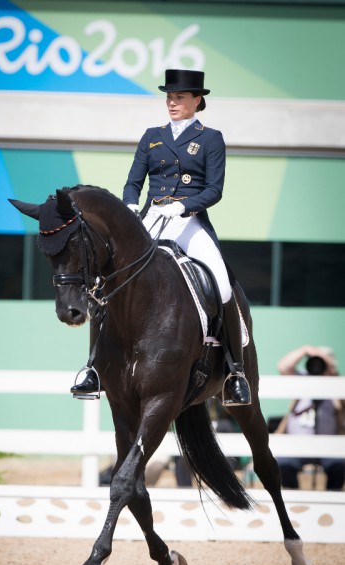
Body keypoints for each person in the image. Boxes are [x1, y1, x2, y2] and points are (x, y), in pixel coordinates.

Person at [71, 68, 251, 406]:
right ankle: (94, 366)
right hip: (150, 220)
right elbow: (133, 182)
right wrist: (128, 207)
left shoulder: (210, 138)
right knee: (109, 280)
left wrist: (182, 207)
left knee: (223, 284)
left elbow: (214, 190)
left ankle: (234, 371)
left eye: (180, 97)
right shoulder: (152, 135)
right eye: (169, 97)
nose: (172, 102)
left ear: (197, 100)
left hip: (189, 221)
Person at [274, 345, 345, 490]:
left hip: (329, 447)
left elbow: (332, 371)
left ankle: (331, 502)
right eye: (315, 361)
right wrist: (305, 350)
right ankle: (294, 499)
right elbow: (283, 367)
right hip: (297, 446)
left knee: (339, 466)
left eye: (322, 362)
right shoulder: (302, 378)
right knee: (284, 465)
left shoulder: (337, 383)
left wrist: (328, 369)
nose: (318, 365)